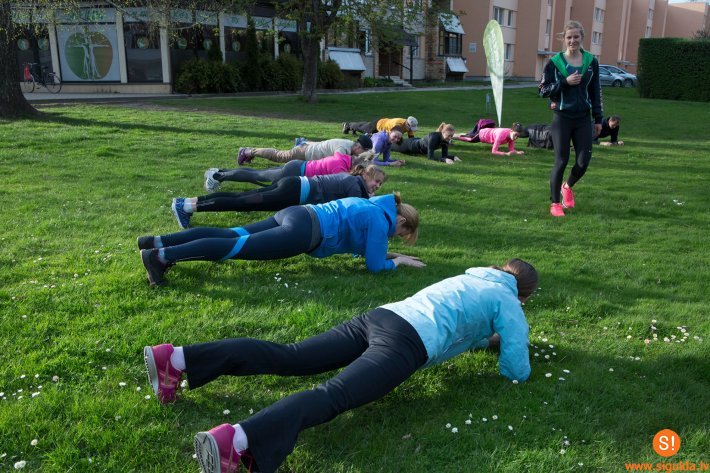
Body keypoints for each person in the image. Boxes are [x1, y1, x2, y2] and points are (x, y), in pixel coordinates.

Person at [143, 258, 538, 473]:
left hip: (380, 318)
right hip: (406, 343)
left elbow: (461, 325)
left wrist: (486, 340)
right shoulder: (508, 302)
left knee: (290, 355)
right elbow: (516, 364)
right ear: (524, 296)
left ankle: (175, 359)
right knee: (334, 395)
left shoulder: (472, 278)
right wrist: (512, 355)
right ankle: (236, 440)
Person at [138, 193, 422, 286]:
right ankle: (159, 258)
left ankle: (156, 241)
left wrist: (393, 255)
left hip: (297, 214)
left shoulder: (373, 206)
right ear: (400, 222)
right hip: (303, 233)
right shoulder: (380, 221)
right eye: (401, 236)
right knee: (233, 247)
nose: (394, 239)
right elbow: (374, 265)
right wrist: (398, 263)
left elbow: (369, 250)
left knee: (232, 234)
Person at [171, 165, 386, 229]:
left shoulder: (352, 180)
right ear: (365, 175)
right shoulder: (354, 185)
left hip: (293, 185)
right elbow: (357, 212)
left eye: (380, 185)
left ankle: (187, 203)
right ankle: (186, 206)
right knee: (241, 201)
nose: (376, 186)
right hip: (292, 191)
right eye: (376, 181)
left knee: (241, 198)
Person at [539, 20, 603, 217]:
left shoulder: (591, 62)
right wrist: (564, 82)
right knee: (561, 160)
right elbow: (543, 90)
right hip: (562, 118)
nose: (572, 40)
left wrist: (598, 118)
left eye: (576, 37)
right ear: (564, 39)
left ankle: (567, 186)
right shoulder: (554, 62)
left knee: (583, 162)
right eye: (569, 37)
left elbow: (595, 91)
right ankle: (555, 204)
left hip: (583, 118)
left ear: (582, 38)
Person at [202, 150, 374, 191]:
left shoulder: (343, 158)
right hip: (295, 171)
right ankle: (217, 175)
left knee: (258, 174)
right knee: (257, 176)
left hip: (297, 167)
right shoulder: (340, 167)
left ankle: (220, 171)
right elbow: (341, 184)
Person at [237, 135, 373, 165]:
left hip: (308, 148)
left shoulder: (350, 145)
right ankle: (247, 151)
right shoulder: (343, 148)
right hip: (304, 153)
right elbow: (338, 163)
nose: (362, 155)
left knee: (280, 156)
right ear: (358, 147)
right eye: (363, 152)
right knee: (279, 156)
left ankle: (250, 153)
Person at [391, 122, 461, 164]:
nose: (450, 138)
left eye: (451, 136)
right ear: (443, 132)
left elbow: (444, 155)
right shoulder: (433, 138)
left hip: (417, 140)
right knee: (391, 145)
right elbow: (430, 157)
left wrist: (453, 157)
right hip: (411, 146)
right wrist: (445, 160)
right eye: (448, 135)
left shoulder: (445, 140)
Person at [342, 116, 418, 138]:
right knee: (362, 128)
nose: (411, 130)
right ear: (407, 124)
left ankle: (352, 127)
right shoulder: (397, 124)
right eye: (410, 128)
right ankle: (347, 125)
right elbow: (391, 137)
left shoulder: (409, 125)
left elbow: (411, 137)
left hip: (383, 124)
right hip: (378, 125)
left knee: (364, 125)